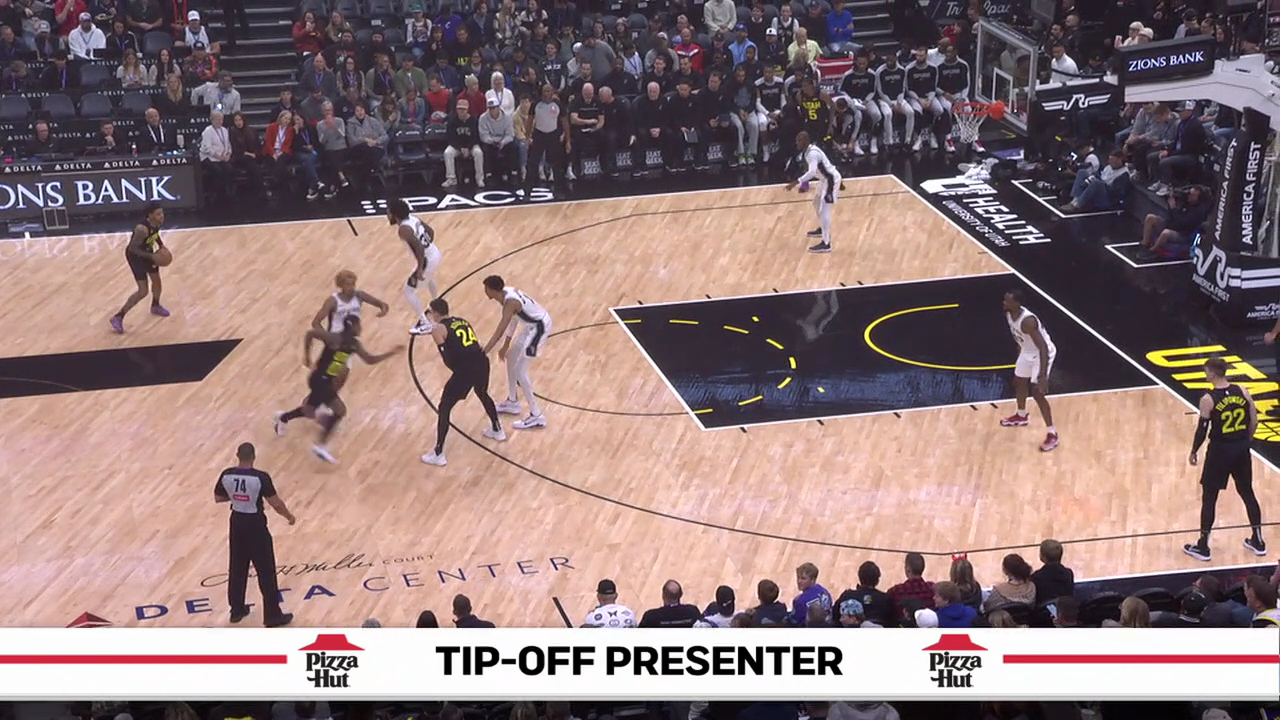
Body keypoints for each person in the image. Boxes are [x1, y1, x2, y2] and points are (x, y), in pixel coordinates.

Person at [273, 316, 403, 464]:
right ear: (352, 327)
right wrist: (307, 356)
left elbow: (369, 360)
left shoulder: (354, 344)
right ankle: (320, 445)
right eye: (358, 325)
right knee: (340, 410)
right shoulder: (333, 338)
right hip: (319, 380)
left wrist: (391, 352)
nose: (360, 328)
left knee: (310, 411)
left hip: (327, 381)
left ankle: (283, 418)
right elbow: (310, 334)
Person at [1184, 355, 1266, 561]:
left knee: (1210, 497)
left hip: (1220, 451)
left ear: (1212, 373)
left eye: (1206, 371)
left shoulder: (1208, 399)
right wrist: (1245, 440)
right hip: (1241, 449)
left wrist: (1194, 451)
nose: (1205, 374)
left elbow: (1202, 430)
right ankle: (1258, 540)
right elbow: (1254, 420)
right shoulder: (1242, 391)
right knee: (1247, 492)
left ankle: (1203, 546)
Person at [214, 442, 295, 627]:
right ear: (254, 456)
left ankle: (236, 610)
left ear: (237, 455)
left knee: (237, 566)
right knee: (266, 570)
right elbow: (276, 503)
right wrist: (289, 516)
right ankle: (272, 615)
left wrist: (235, 497)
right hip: (255, 524)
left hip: (236, 522)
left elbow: (218, 497)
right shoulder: (260, 478)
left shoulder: (227, 474)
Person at [420, 298, 507, 467]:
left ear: (435, 313)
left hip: (466, 367)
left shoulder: (437, 329)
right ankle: (497, 429)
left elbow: (447, 358)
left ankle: (438, 453)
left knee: (444, 406)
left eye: (430, 312)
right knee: (482, 392)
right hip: (482, 361)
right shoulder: (462, 321)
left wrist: (459, 373)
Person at [481, 274, 552, 430]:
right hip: (530, 326)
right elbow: (513, 320)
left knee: (520, 371)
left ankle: (537, 415)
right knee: (511, 357)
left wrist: (484, 351)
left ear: (492, 290)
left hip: (539, 327)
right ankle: (513, 402)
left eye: (486, 288)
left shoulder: (510, 302)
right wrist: (506, 344)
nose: (484, 291)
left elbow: (500, 330)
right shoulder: (506, 293)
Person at [999, 289, 1058, 452]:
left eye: (1008, 300)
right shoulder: (1009, 314)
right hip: (1027, 351)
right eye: (1005, 299)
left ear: (1017, 303)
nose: (1004, 302)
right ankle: (1021, 415)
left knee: (1037, 393)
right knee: (1019, 381)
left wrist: (1043, 377)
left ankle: (1052, 433)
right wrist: (1021, 357)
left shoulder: (1028, 321)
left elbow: (1043, 347)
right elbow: (1019, 339)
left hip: (1042, 353)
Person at [109, 203, 170, 334]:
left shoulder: (157, 223)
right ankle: (118, 316)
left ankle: (155, 305)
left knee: (157, 281)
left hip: (148, 253)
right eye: (158, 214)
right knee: (143, 291)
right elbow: (133, 248)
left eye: (162, 213)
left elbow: (155, 235)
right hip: (136, 257)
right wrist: (151, 256)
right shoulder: (141, 229)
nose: (161, 216)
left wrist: (161, 246)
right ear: (150, 215)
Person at [387, 198, 440, 336]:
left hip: (427, 260)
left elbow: (419, 248)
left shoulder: (404, 229)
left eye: (389, 212)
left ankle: (425, 324)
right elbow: (431, 232)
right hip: (434, 252)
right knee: (429, 279)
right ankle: (437, 304)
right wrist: (428, 246)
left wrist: (420, 268)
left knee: (408, 291)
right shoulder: (413, 218)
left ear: (395, 215)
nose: (387, 215)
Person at [784, 131, 841, 254]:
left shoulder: (812, 154)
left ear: (805, 141)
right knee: (816, 202)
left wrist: (796, 182)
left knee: (824, 209)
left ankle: (826, 243)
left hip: (830, 181)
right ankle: (822, 229)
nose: (796, 143)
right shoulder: (808, 151)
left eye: (799, 141)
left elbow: (811, 172)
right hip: (824, 180)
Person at [312, 270, 389, 336]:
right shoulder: (332, 301)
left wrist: (383, 310)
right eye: (348, 284)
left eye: (353, 284)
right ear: (341, 285)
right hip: (336, 338)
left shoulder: (359, 295)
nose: (351, 287)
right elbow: (316, 323)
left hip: (352, 338)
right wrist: (327, 337)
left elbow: (382, 304)